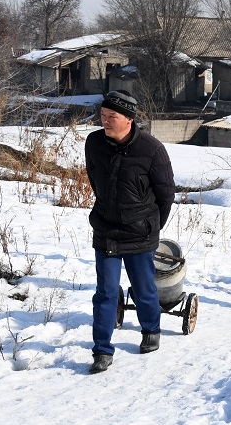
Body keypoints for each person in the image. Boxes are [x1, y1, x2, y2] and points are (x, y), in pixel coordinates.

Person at [85, 90, 176, 374]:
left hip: (140, 232)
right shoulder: (94, 143)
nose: (106, 122)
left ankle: (151, 329)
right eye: (103, 116)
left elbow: (166, 194)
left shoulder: (151, 149)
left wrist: (151, 227)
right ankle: (101, 350)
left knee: (145, 289)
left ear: (129, 119)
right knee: (106, 293)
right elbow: (94, 179)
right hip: (106, 231)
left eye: (112, 117)